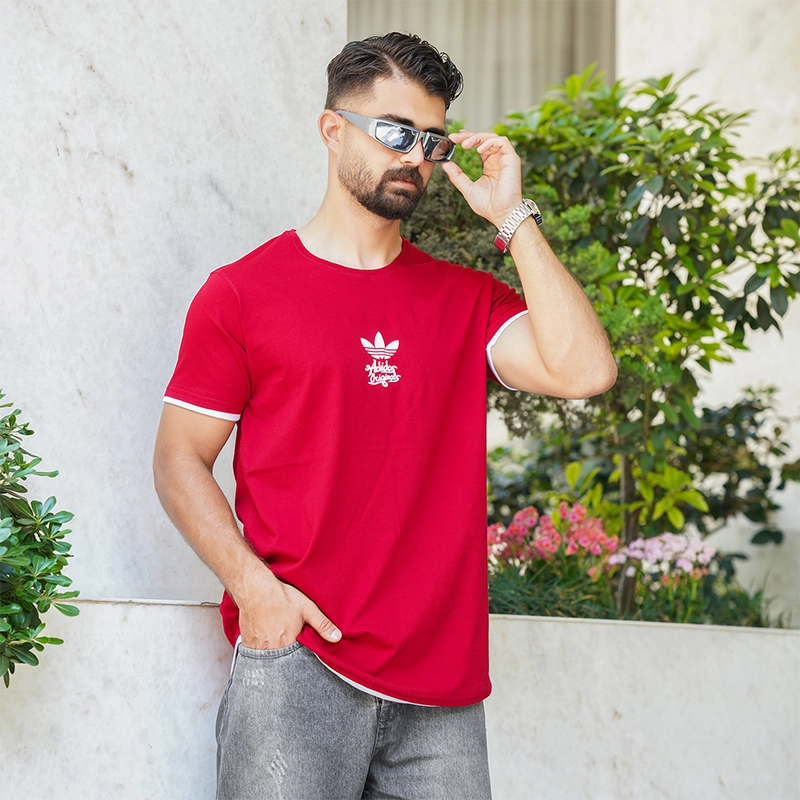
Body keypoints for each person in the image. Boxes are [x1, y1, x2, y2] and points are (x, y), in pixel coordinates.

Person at [153, 31, 616, 800]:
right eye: (396, 133)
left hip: (442, 692)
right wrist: (256, 591)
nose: (417, 157)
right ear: (333, 130)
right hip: (297, 665)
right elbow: (179, 460)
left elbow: (585, 370)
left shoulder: (465, 301)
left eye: (432, 140)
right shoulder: (242, 295)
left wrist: (512, 217)